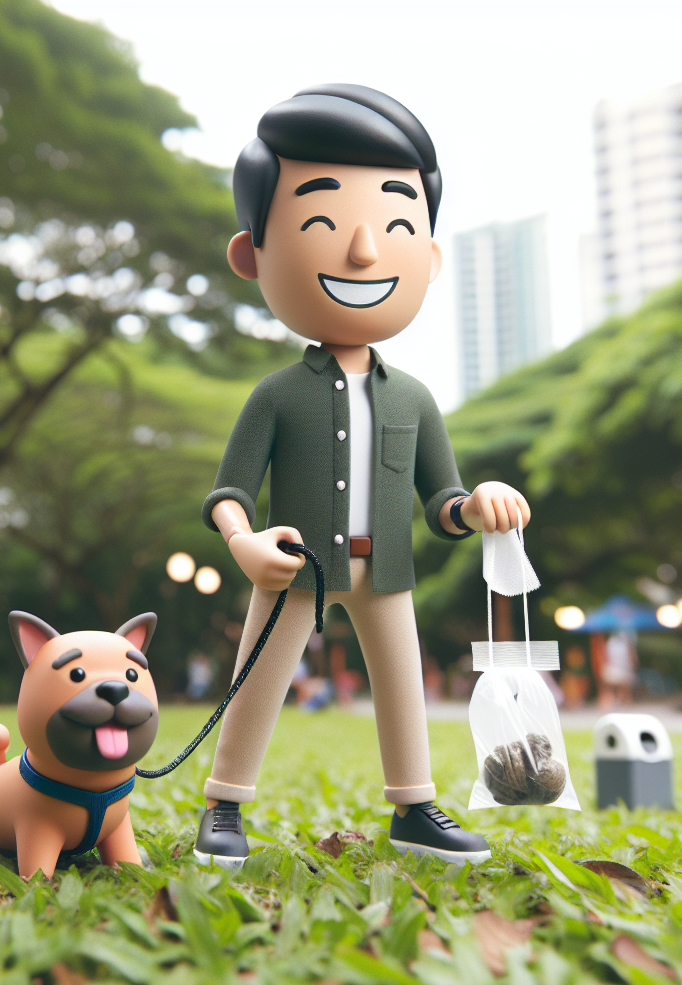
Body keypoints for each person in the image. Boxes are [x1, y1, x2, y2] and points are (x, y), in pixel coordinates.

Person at [192, 85, 531, 869]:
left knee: (402, 688)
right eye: (320, 223)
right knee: (257, 682)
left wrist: (475, 506)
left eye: (398, 226)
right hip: (295, 569)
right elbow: (230, 491)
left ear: (431, 255)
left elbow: (440, 499)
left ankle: (415, 808)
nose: (365, 253)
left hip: (389, 570)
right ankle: (224, 805)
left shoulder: (414, 397)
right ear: (253, 254)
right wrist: (243, 544)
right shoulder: (277, 395)